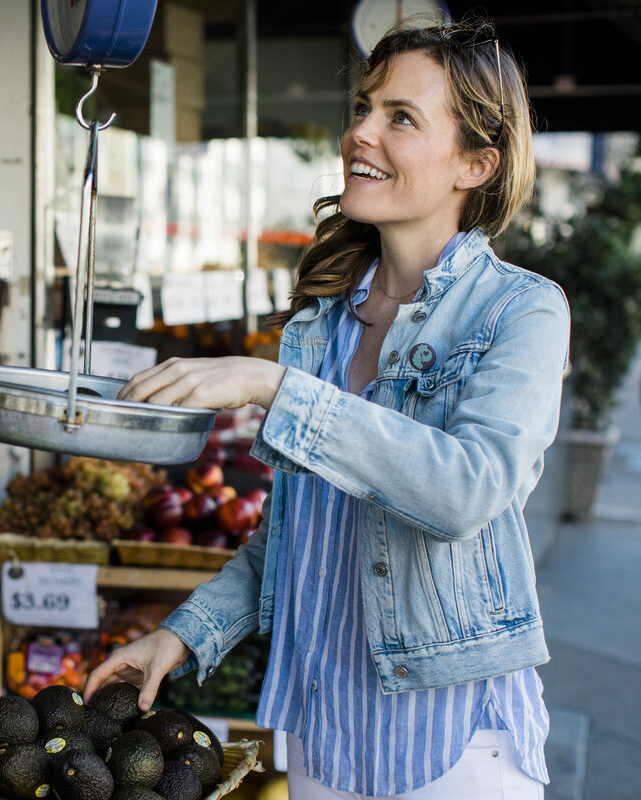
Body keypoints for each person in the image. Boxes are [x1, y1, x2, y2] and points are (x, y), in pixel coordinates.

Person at [84, 17, 568, 800]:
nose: (360, 133)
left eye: (400, 118)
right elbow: (299, 535)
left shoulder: (521, 312)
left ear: (475, 163)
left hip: (455, 744)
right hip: (321, 737)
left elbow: (468, 491)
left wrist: (273, 386)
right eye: (364, 107)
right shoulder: (323, 321)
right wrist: (181, 635)